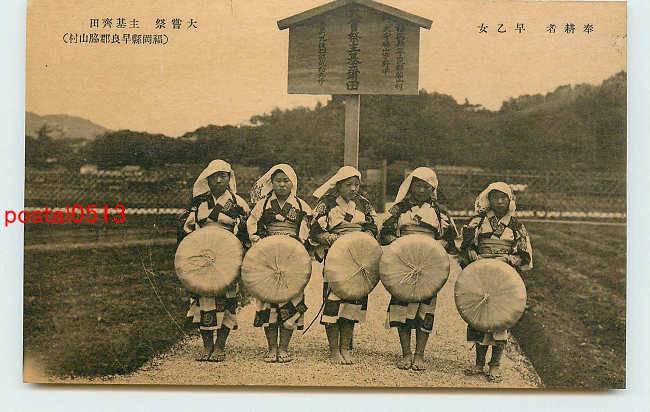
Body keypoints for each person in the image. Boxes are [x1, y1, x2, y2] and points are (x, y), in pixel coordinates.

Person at [379, 167, 459, 371]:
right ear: (410, 186)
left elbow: (449, 240)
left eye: (426, 186)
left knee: (426, 307)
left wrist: (438, 245)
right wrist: (397, 242)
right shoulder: (399, 209)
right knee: (402, 305)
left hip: (429, 265)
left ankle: (420, 354)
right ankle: (406, 353)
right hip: (403, 262)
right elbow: (385, 233)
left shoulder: (439, 212)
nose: (421, 190)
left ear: (432, 188)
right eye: (417, 185)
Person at [459, 182, 533, 382]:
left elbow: (523, 255)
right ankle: (479, 362)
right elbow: (465, 247)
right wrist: (472, 254)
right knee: (479, 316)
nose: (499, 201)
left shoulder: (516, 226)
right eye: (495, 197)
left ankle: (495, 364)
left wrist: (507, 259)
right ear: (488, 199)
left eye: (503, 198)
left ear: (509, 200)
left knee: (501, 319)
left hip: (504, 277)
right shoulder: (477, 222)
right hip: (481, 274)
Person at [308, 166, 378, 365]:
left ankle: (346, 348)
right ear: (338, 185)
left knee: (353, 300)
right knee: (333, 300)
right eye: (348, 185)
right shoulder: (327, 203)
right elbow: (314, 229)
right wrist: (331, 238)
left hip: (358, 256)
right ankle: (333, 350)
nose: (353, 189)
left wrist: (366, 237)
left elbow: (373, 226)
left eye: (356, 185)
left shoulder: (364, 204)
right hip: (336, 255)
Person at [181, 159, 250, 362]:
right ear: (207, 179)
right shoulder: (198, 202)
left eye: (223, 176)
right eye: (214, 177)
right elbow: (186, 229)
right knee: (204, 297)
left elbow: (245, 232)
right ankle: (207, 346)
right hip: (203, 254)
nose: (219, 180)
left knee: (227, 299)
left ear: (229, 178)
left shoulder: (238, 203)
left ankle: (220, 345)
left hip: (228, 256)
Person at [246, 164, 312, 363]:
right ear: (272, 183)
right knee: (268, 299)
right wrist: (262, 243)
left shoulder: (301, 206)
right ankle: (271, 347)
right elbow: (252, 226)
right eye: (278, 181)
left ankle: (283, 348)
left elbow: (306, 231)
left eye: (286, 181)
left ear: (293, 183)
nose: (282, 185)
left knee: (290, 297)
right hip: (267, 256)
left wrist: (295, 244)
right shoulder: (263, 205)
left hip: (292, 257)